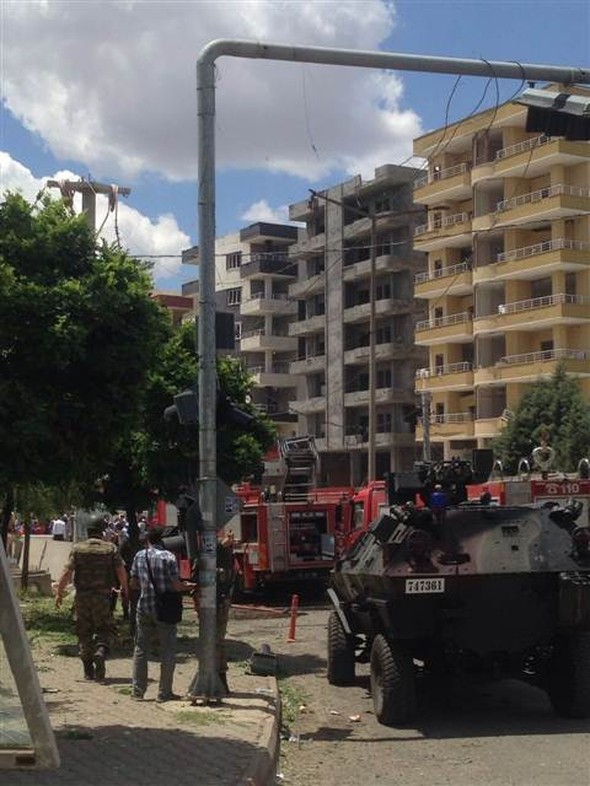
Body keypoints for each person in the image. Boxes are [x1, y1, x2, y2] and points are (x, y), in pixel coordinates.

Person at [55, 516, 128, 681]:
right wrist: (125, 589)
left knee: (84, 630)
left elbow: (67, 572)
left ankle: (88, 671)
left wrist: (59, 592)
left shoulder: (78, 548)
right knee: (105, 628)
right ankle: (101, 650)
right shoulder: (110, 548)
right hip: (102, 597)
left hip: (82, 597)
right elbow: (121, 570)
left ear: (88, 531)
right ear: (102, 531)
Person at [130, 527, 194, 702]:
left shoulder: (139, 556)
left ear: (148, 539)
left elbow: (134, 583)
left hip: (144, 607)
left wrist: (146, 585)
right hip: (165, 609)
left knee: (141, 649)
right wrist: (188, 586)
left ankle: (138, 691)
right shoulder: (168, 557)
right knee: (168, 650)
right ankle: (164, 692)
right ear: (162, 540)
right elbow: (175, 585)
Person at [190, 531, 237, 696]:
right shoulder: (209, 559)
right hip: (210, 605)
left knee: (215, 641)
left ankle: (220, 679)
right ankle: (217, 679)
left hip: (217, 604)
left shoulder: (226, 562)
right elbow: (195, 579)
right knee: (214, 641)